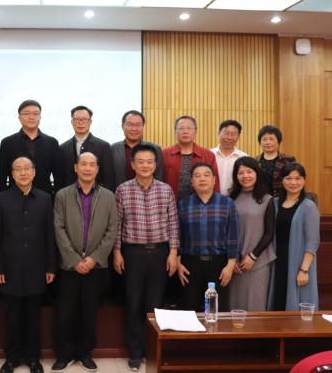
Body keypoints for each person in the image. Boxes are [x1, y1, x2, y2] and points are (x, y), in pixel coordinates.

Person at [113, 144, 179, 372]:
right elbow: (117, 224)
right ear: (132, 164)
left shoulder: (165, 190)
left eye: (149, 161)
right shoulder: (122, 190)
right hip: (132, 253)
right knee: (133, 303)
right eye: (140, 161)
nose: (145, 165)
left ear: (155, 164)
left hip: (160, 253)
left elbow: (173, 224)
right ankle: (135, 352)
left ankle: (152, 351)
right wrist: (117, 252)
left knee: (154, 305)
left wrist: (173, 253)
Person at [0, 156, 56, 373]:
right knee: (12, 318)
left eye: (27, 168)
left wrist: (50, 266)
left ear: (34, 172)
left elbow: (50, 235)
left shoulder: (45, 199)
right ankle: (11, 358)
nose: (23, 173)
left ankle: (33, 359)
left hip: (37, 268)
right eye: (18, 169)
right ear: (12, 174)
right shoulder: (0, 199)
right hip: (9, 270)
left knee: (33, 318)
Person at [52, 152, 117, 373]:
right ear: (75, 168)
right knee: (65, 313)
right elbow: (58, 228)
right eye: (83, 164)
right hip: (68, 266)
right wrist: (73, 259)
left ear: (97, 169)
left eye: (92, 165)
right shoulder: (62, 195)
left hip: (96, 267)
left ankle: (85, 353)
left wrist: (93, 259)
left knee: (90, 313)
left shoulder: (108, 196)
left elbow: (111, 231)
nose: (87, 168)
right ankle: (64, 354)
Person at [177, 163, 239, 312]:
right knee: (189, 309)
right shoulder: (183, 204)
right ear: (192, 182)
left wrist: (230, 265)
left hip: (219, 264)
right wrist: (178, 263)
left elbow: (233, 235)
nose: (202, 179)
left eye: (206, 175)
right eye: (197, 176)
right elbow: (177, 234)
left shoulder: (227, 203)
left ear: (214, 179)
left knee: (217, 309)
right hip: (190, 264)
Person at [268, 163, 319, 311]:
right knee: (278, 301)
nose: (293, 182)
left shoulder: (309, 206)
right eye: (288, 178)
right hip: (278, 261)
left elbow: (312, 241)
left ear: (304, 181)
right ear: (282, 181)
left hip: (299, 263)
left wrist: (304, 270)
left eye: (298, 178)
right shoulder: (275, 203)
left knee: (297, 305)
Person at [228, 157, 276, 311]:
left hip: (258, 262)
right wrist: (232, 259)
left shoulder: (267, 199)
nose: (245, 176)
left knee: (255, 306)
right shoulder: (230, 199)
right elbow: (226, 231)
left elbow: (269, 233)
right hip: (235, 264)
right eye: (240, 173)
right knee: (234, 307)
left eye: (249, 172)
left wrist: (253, 256)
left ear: (257, 173)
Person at [0, 100, 63, 196]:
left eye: (35, 114)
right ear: (19, 118)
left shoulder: (52, 143)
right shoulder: (7, 143)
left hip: (44, 198)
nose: (31, 117)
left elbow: (59, 177)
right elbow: (1, 177)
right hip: (14, 198)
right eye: (27, 113)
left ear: (40, 117)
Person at [57, 106, 114, 191]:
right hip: (69, 196)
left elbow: (109, 179)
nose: (81, 123)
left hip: (97, 195)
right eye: (77, 119)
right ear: (72, 122)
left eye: (84, 119)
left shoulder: (103, 146)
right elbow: (60, 179)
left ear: (90, 122)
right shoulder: (62, 148)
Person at [163, 116, 220, 200]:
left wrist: (215, 201)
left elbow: (215, 182)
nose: (185, 131)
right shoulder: (164, 153)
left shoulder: (208, 155)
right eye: (181, 128)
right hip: (170, 202)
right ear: (175, 132)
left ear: (195, 132)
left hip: (199, 204)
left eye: (189, 128)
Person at [111, 110, 164, 189]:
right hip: (119, 194)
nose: (134, 128)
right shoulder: (113, 149)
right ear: (122, 126)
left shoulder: (155, 149)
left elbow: (159, 176)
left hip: (149, 194)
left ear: (143, 126)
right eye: (130, 124)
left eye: (138, 125)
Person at [255, 125, 296, 197]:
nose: (268, 142)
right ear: (260, 142)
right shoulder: (254, 161)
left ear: (278, 141)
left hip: (282, 198)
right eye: (264, 139)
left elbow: (294, 179)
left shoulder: (288, 160)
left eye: (271, 139)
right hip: (261, 199)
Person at [211, 120, 248, 196]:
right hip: (212, 199)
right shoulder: (209, 155)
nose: (229, 137)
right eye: (226, 133)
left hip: (237, 198)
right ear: (219, 133)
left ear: (238, 136)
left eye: (233, 134)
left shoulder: (244, 157)